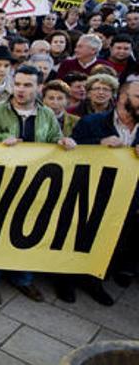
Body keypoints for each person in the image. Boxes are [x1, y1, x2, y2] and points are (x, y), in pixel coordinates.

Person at [0, 65, 76, 304]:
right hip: (1, 184)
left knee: (28, 232)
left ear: (38, 87)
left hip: (34, 187)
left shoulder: (47, 115)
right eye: (17, 84)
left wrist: (64, 142)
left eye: (27, 85)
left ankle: (23, 279)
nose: (20, 89)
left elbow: (53, 140)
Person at [72, 80, 139, 289]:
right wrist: (98, 145)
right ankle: (67, 280)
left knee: (113, 242)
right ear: (121, 98)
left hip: (128, 200)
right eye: (138, 96)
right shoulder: (91, 122)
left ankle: (96, 281)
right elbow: (71, 154)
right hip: (91, 194)